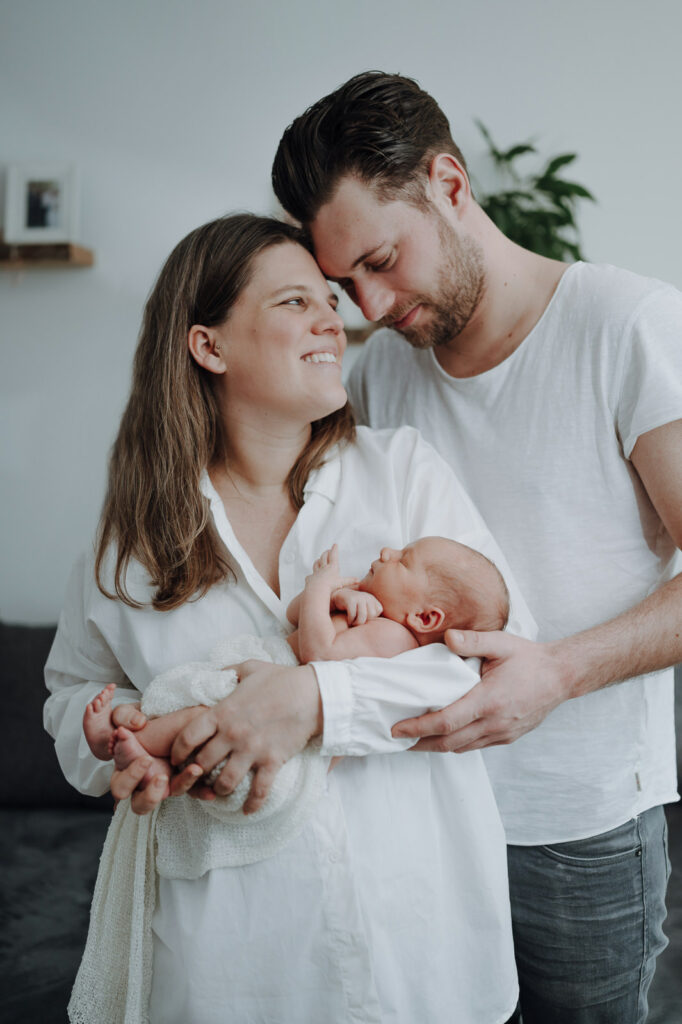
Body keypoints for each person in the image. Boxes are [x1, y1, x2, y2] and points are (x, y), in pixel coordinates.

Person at [44, 213, 536, 1024]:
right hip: (233, 974)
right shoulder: (129, 543)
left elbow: (493, 661)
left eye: (328, 302)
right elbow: (72, 694)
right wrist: (120, 742)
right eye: (295, 302)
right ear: (209, 346)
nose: (333, 322)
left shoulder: (402, 474)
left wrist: (311, 700)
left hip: (424, 963)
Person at [268, 71, 682, 1023]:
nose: (371, 306)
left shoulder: (628, 327)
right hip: (413, 818)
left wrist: (558, 673)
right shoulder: (382, 376)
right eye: (345, 284)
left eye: (382, 260)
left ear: (449, 185)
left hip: (579, 834)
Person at [82, 535, 510, 791]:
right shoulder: (371, 610)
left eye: (403, 560)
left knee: (205, 715)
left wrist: (322, 589)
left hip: (275, 702)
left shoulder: (394, 639)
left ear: (426, 619)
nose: (387, 550)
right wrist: (333, 596)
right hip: (266, 684)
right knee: (196, 708)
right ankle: (148, 744)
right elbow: (295, 615)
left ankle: (129, 737)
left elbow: (319, 657)